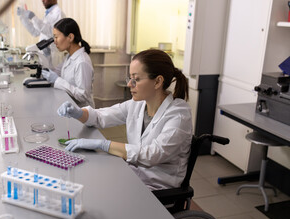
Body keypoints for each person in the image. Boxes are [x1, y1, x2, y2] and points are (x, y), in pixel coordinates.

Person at [57, 49, 192, 191]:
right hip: (135, 176)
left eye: (136, 79)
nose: (129, 85)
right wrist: (78, 112)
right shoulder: (138, 104)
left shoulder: (179, 115)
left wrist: (103, 144)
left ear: (158, 81)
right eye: (130, 78)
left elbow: (152, 155)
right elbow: (101, 117)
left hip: (157, 189)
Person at [41, 18, 95, 108]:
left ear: (70, 37)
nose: (54, 41)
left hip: (82, 113)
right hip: (70, 108)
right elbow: (54, 73)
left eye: (56, 37)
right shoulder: (69, 57)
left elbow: (83, 95)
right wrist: (47, 57)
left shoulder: (82, 62)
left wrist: (57, 80)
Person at [17, 0, 65, 67]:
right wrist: (23, 18)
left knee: (53, 74)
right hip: (45, 54)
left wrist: (33, 17)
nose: (42, 0)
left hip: (53, 55)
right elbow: (35, 32)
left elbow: (52, 32)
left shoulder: (58, 14)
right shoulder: (47, 14)